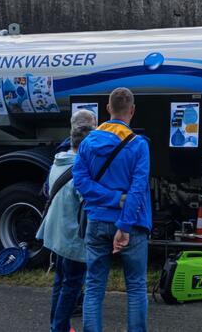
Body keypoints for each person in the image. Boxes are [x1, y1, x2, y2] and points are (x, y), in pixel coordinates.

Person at [72, 88, 151, 332]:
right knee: (136, 287)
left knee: (94, 287)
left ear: (108, 109)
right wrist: (124, 225)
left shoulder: (87, 143)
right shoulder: (138, 145)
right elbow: (138, 190)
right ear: (133, 110)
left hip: (96, 221)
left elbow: (81, 182)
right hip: (132, 225)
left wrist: (110, 198)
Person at [37, 109, 97, 332]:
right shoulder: (80, 170)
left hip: (56, 233)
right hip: (73, 237)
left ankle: (57, 324)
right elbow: (88, 202)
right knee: (72, 284)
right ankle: (59, 328)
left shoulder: (58, 162)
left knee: (60, 281)